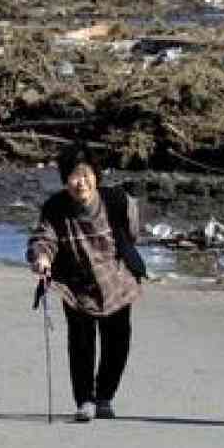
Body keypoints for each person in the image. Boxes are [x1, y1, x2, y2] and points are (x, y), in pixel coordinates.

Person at [27, 143, 144, 422]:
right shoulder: (56, 209)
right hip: (76, 285)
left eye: (86, 174)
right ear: (66, 180)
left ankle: (105, 397)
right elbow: (44, 239)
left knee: (118, 343)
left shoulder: (117, 201)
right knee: (81, 343)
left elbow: (132, 232)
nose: (81, 182)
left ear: (96, 176)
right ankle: (85, 400)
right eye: (74, 176)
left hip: (116, 281)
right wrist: (42, 258)